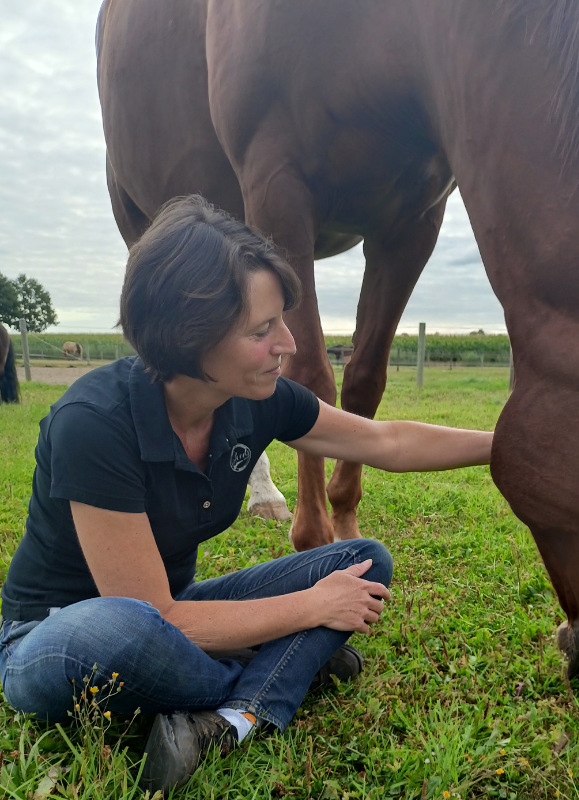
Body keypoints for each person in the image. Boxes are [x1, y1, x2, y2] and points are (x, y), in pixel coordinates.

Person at [0, 195, 493, 793]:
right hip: (59, 636)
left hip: (174, 617)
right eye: (263, 330)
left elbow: (388, 442)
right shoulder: (93, 422)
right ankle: (287, 671)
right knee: (125, 629)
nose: (289, 343)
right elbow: (155, 615)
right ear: (188, 335)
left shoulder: (257, 400)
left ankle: (232, 719)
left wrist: (511, 443)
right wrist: (310, 614)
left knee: (361, 561)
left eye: (281, 320)